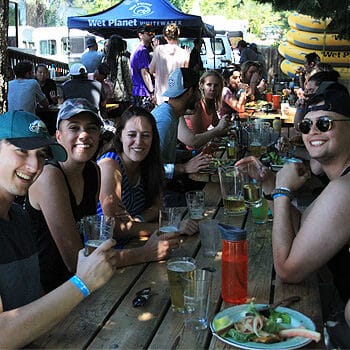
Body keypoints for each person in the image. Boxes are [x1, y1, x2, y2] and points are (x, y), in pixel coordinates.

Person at [236, 81, 350, 346]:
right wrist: (269, 186)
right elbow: (304, 232)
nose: (312, 132)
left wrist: (282, 190)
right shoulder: (340, 183)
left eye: (324, 123)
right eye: (306, 126)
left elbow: (287, 270)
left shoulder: (345, 189)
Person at [25, 98, 179, 293]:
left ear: (99, 135)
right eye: (74, 128)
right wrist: (145, 253)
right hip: (50, 296)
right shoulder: (49, 176)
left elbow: (95, 244)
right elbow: (77, 262)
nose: (84, 135)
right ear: (58, 136)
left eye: (91, 128)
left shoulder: (92, 172)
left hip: (85, 285)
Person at [0, 110, 117, 348]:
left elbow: (33, 297)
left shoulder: (20, 218)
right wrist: (82, 284)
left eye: (42, 155)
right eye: (22, 151)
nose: (34, 166)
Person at [96, 106, 197, 239]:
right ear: (120, 136)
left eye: (145, 135)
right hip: (106, 251)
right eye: (132, 135)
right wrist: (171, 227)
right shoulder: (110, 164)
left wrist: (137, 220)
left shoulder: (149, 163)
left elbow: (157, 206)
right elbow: (114, 228)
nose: (138, 142)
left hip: (136, 241)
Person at [152, 68, 220, 206]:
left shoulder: (171, 113)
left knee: (216, 192)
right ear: (190, 92)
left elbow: (164, 154)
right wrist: (184, 168)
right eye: (198, 91)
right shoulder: (165, 120)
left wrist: (192, 154)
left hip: (166, 186)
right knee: (211, 203)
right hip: (156, 196)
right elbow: (150, 169)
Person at [180, 70, 229, 151]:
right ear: (201, 85)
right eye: (209, 85)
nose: (212, 89)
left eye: (216, 85)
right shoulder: (198, 105)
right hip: (193, 151)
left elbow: (216, 124)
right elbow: (199, 135)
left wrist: (228, 126)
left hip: (205, 145)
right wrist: (220, 128)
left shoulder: (211, 102)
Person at [149, 23, 189, 105]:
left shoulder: (158, 50)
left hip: (161, 94)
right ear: (178, 35)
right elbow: (185, 74)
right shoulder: (184, 53)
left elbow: (151, 70)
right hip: (177, 95)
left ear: (165, 36)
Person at [104, 34, 132, 117]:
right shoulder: (124, 59)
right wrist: (130, 93)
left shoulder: (105, 59)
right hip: (122, 96)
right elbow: (128, 78)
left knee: (112, 118)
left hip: (109, 95)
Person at [130, 24, 155, 112]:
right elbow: (145, 73)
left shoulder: (137, 49)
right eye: (149, 33)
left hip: (137, 91)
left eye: (153, 33)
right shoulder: (142, 51)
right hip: (143, 92)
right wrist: (151, 91)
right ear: (140, 35)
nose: (152, 35)